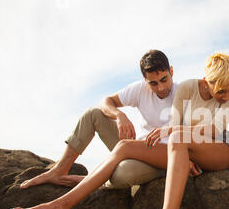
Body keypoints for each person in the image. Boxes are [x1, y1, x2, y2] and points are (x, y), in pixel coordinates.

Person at [10, 52, 229, 209]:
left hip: (218, 150)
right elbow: (175, 126)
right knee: (123, 147)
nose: (228, 93)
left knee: (172, 138)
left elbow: (215, 129)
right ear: (206, 81)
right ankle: (61, 205)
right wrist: (126, 118)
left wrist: (174, 133)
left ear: (171, 72)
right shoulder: (187, 89)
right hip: (180, 149)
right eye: (221, 90)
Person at [19, 49, 177, 189]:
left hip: (160, 160)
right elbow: (105, 102)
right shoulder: (140, 89)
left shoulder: (182, 92)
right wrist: (119, 115)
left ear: (171, 71)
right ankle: (59, 170)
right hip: (134, 148)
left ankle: (92, 181)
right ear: (145, 81)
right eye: (153, 83)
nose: (161, 88)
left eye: (164, 79)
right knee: (93, 114)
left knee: (124, 173)